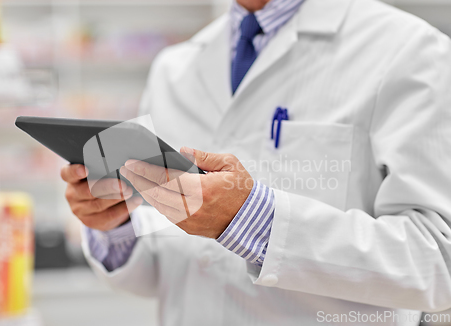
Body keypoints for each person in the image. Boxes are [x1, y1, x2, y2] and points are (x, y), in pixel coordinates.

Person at [60, 0, 451, 324]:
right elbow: (168, 268)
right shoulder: (173, 69)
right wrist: (117, 225)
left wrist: (252, 220)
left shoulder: (410, 51)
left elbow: (439, 262)